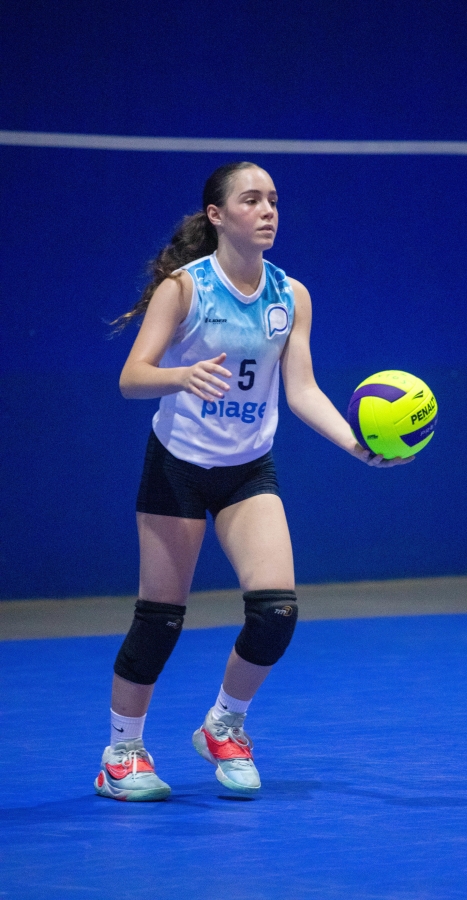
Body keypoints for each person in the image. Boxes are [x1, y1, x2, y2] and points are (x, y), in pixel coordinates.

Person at [94, 161, 413, 802]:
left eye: (273, 200)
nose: (268, 210)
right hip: (178, 466)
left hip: (247, 468)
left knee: (276, 613)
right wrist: (180, 376)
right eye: (251, 200)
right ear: (217, 215)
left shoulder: (291, 295)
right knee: (160, 621)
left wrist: (357, 446)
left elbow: (302, 390)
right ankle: (121, 754)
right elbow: (132, 377)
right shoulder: (185, 289)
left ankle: (224, 725)